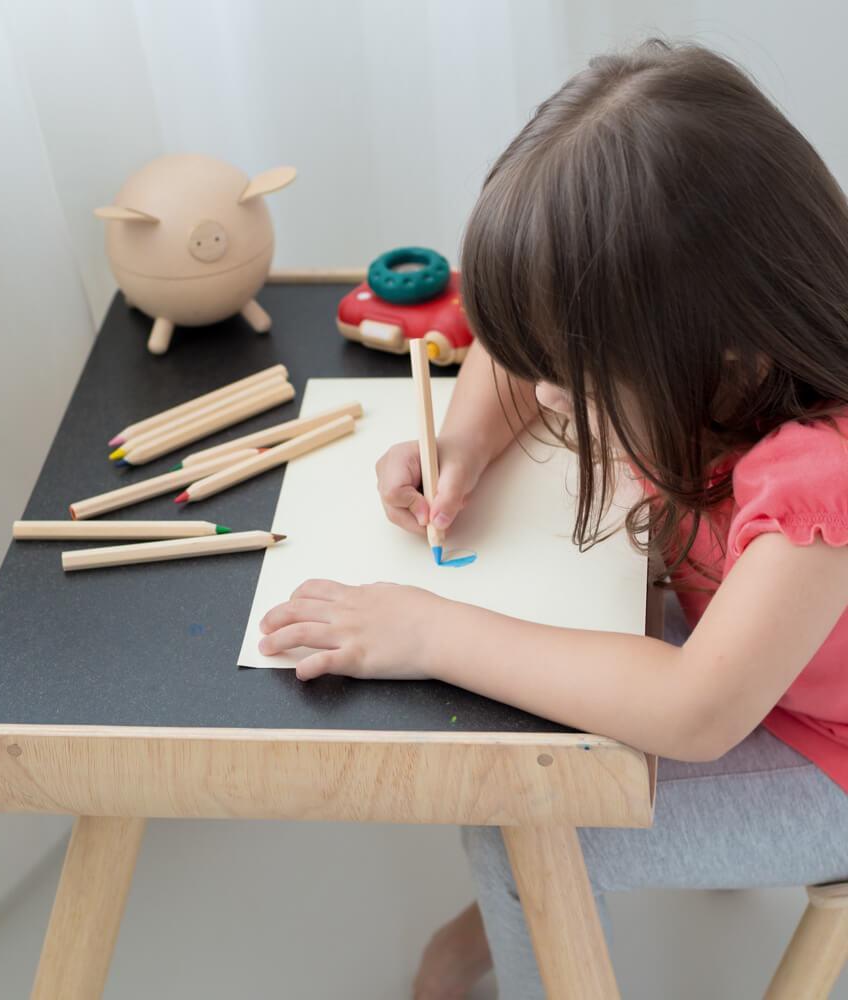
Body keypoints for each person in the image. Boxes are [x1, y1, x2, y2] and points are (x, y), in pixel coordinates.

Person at [257, 39, 848, 998]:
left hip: (826, 754)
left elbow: (694, 711)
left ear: (723, 355)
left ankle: (489, 944)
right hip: (746, 660)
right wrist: (464, 445)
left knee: (520, 817)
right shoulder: (711, 354)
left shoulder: (821, 484)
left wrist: (426, 628)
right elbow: (505, 345)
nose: (549, 398)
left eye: (574, 381)